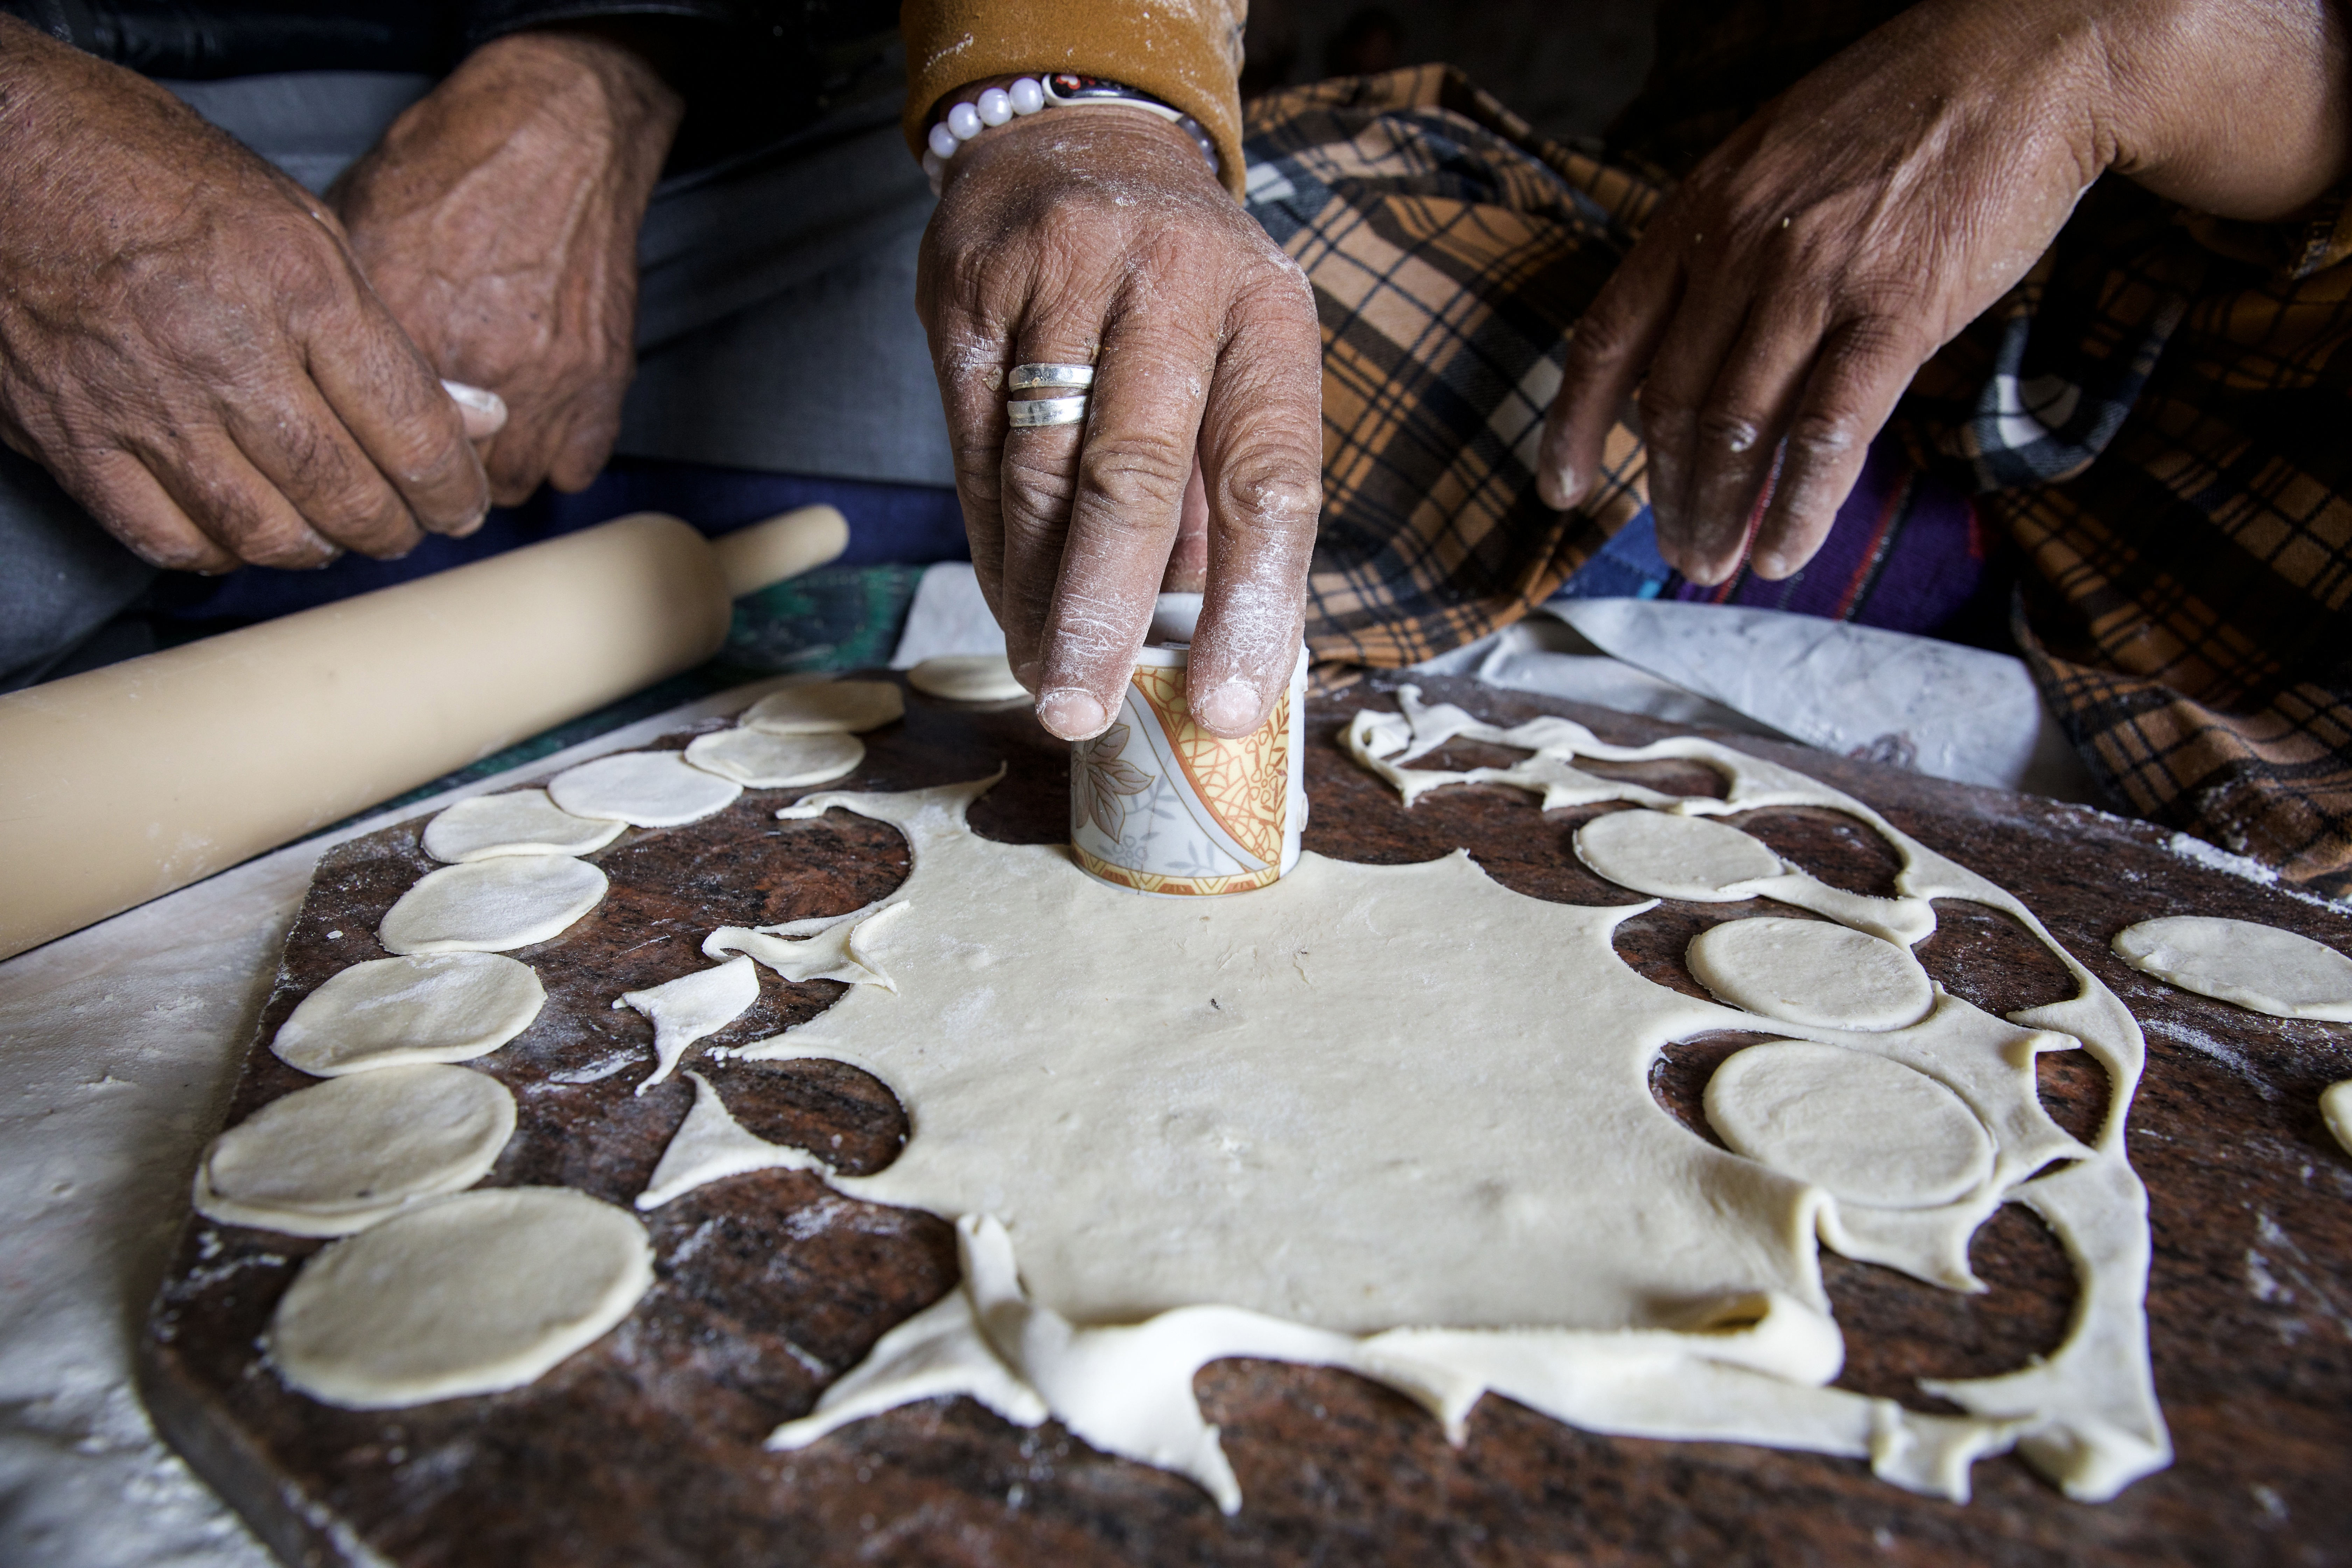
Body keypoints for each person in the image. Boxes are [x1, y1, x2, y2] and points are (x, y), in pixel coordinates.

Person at [900, 0, 2352, 893]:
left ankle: (1851, 553)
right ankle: (1820, 538)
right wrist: (1090, 105)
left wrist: (2135, 48)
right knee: (1202, 331)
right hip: (1714, 285)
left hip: (2259, 402)